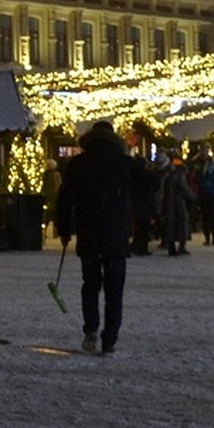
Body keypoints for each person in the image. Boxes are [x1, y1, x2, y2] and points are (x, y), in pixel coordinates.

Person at [56, 121, 151, 356]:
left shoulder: (78, 164)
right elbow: (151, 186)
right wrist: (141, 165)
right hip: (116, 235)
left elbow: (65, 199)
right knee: (114, 290)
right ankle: (110, 338)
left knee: (90, 285)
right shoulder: (124, 163)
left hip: (89, 233)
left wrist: (64, 228)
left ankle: (90, 329)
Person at [161, 154, 196, 256]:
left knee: (170, 225)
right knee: (182, 224)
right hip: (178, 203)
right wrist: (193, 197)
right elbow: (185, 190)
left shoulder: (168, 176)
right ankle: (182, 246)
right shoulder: (180, 177)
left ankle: (171, 246)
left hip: (168, 203)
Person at [194, 145, 214, 246]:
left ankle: (213, 237)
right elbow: (196, 178)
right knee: (205, 215)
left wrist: (210, 180)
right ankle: (208, 238)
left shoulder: (212, 164)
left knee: (211, 215)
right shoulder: (198, 164)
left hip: (210, 191)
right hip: (203, 191)